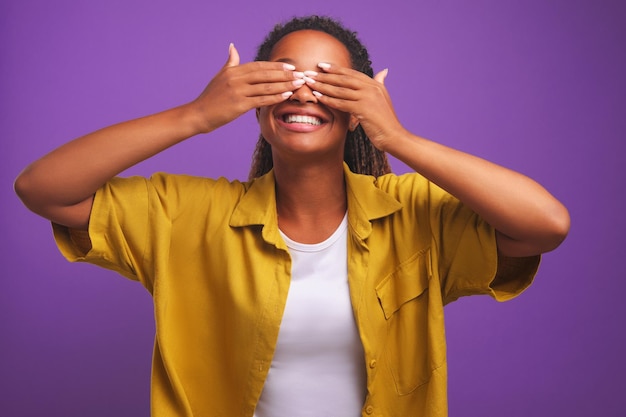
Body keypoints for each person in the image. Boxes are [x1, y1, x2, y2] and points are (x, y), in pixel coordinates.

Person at [14, 15, 569, 417]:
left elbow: (545, 225)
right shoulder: (185, 215)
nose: (304, 91)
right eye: (282, 77)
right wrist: (195, 115)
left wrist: (397, 137)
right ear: (256, 103)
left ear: (356, 110)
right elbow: (43, 189)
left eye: (329, 80)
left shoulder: (415, 213)